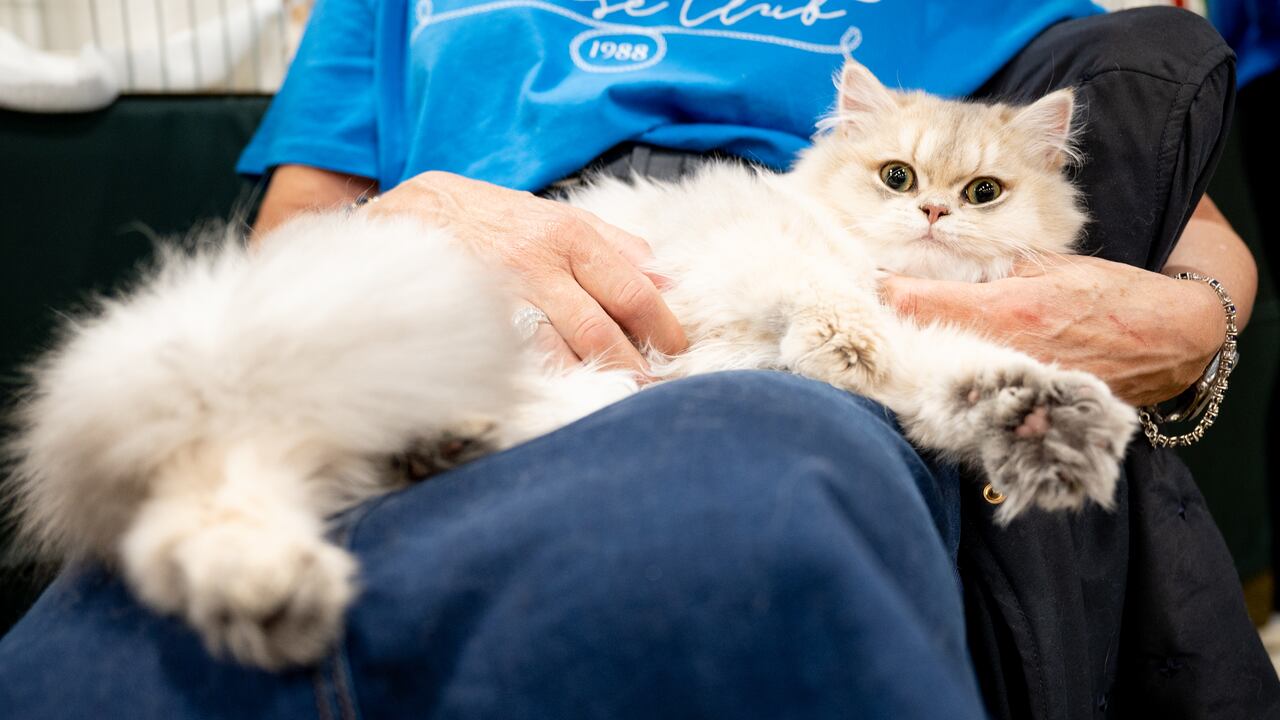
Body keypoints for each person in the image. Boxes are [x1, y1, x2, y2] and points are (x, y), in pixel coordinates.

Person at [0, 2, 1276, 718]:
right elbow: (293, 238)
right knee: (87, 672)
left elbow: (1185, 215)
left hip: (783, 313)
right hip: (455, 271)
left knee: (734, 530)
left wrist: (1192, 322)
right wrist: (409, 223)